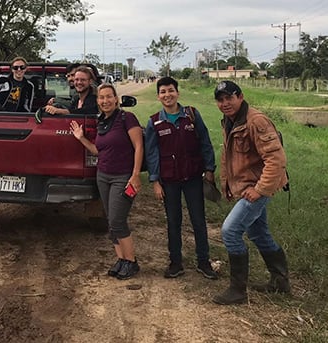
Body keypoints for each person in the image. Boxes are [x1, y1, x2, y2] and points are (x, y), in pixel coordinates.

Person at [212, 81, 290, 305]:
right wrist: (227, 186)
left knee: (230, 231)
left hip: (257, 189)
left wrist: (260, 190)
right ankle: (280, 281)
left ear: (241, 96)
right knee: (259, 234)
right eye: (220, 99)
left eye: (230, 97)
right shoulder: (230, 121)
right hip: (247, 188)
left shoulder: (256, 121)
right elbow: (230, 158)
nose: (225, 103)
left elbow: (276, 160)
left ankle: (238, 291)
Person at [145, 77, 218, 280]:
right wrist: (155, 181)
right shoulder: (154, 122)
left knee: (198, 220)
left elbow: (205, 141)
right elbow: (152, 154)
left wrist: (210, 168)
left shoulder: (192, 115)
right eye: (163, 92)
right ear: (158, 96)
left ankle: (204, 262)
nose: (167, 95)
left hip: (193, 178)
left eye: (170, 90)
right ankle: (175, 263)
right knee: (173, 221)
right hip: (169, 181)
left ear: (178, 92)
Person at [70, 84, 144, 280]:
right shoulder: (101, 121)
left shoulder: (127, 118)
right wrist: (81, 138)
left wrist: (135, 174)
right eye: (101, 98)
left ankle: (131, 262)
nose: (105, 101)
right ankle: (121, 259)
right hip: (103, 176)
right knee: (111, 222)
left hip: (123, 177)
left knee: (118, 221)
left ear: (116, 98)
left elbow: (139, 146)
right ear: (98, 101)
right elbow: (97, 150)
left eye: (109, 97)